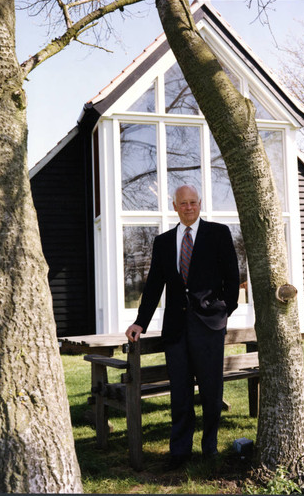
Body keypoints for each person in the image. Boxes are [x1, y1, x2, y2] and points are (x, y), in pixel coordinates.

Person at [126, 184, 239, 470]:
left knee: (211, 391)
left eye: (193, 202)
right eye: (183, 203)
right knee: (180, 392)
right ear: (175, 207)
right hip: (176, 328)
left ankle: (209, 448)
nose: (189, 207)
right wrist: (141, 321)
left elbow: (231, 277)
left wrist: (224, 310)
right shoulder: (163, 242)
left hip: (209, 326)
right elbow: (153, 286)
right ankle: (180, 451)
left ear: (200, 204)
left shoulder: (218, 234)